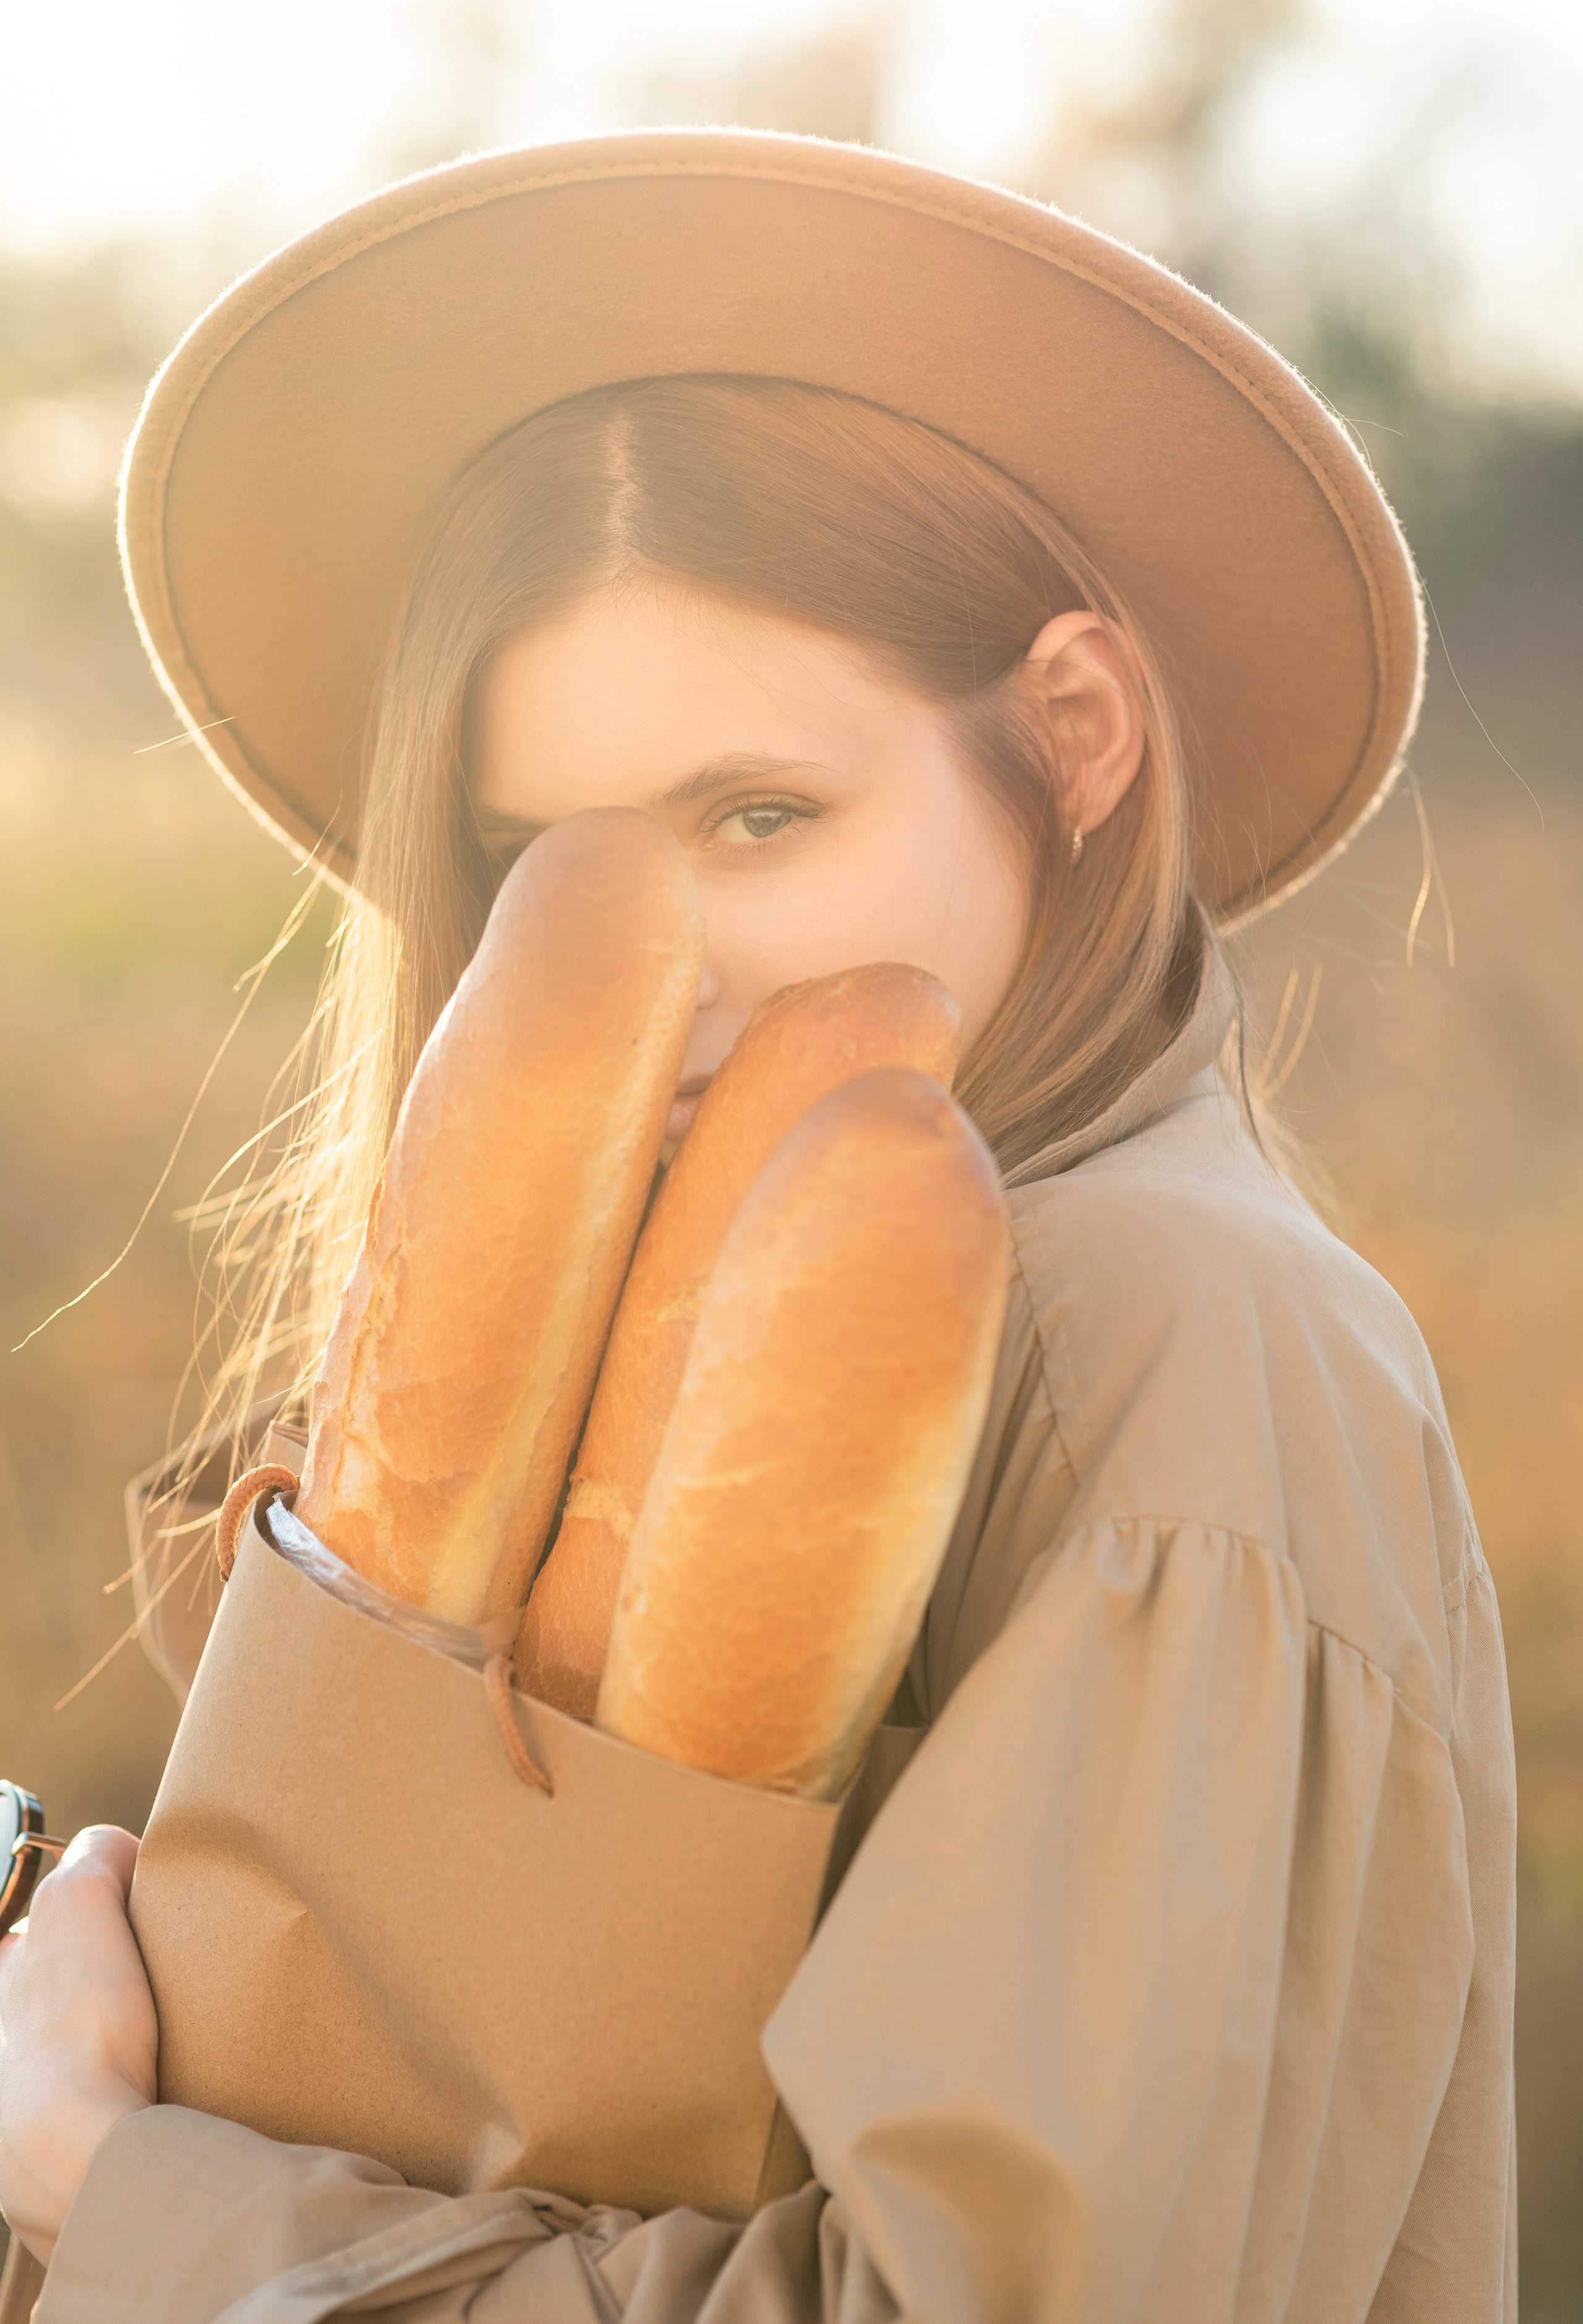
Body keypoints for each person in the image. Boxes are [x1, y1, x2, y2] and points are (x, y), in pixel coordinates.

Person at [0, 132, 1516, 2322]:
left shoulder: (1156, 1328)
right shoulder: (654, 1341)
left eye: (760, 813)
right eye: (536, 855)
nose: (657, 963)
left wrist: (115, 2183)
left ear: (1073, 738)